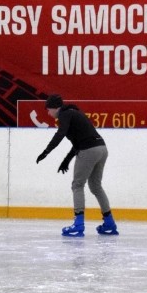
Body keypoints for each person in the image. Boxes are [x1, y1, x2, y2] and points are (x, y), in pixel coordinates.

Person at [36, 94, 118, 237]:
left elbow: (60, 134)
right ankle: (110, 223)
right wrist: (66, 161)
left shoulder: (64, 115)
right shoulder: (74, 114)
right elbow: (77, 144)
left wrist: (46, 152)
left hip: (89, 150)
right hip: (102, 149)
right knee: (96, 186)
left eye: (48, 110)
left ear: (55, 108)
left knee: (77, 185)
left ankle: (78, 224)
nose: (48, 113)